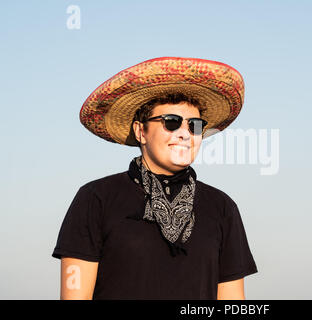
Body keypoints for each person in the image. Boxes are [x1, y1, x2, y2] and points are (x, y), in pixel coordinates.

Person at [51, 57, 258, 300]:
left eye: (196, 125)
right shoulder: (96, 198)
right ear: (141, 131)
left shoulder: (222, 207)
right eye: (171, 122)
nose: (185, 134)